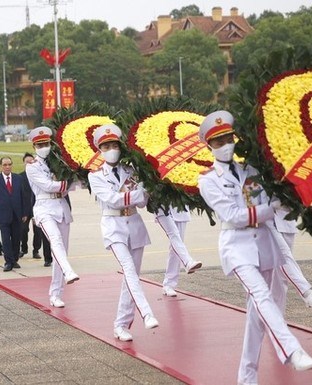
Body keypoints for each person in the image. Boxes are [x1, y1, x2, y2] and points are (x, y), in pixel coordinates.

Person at [197, 111, 312, 385]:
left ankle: (246, 378)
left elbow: (274, 198)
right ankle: (292, 349)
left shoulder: (252, 171)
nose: (225, 144)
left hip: (263, 244)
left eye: (228, 138)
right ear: (209, 146)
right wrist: (271, 208)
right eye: (218, 141)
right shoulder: (208, 181)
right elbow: (234, 216)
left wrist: (286, 200)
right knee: (263, 297)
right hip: (237, 248)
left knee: (256, 314)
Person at [87, 123, 159, 342]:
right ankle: (147, 312)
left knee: (132, 276)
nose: (111, 149)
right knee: (128, 269)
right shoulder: (95, 175)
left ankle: (121, 324)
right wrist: (136, 195)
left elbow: (144, 199)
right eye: (106, 145)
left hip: (135, 224)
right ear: (100, 149)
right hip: (113, 226)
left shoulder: (132, 170)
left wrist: (138, 194)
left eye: (114, 144)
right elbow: (111, 200)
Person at [26, 126, 79, 308]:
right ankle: (68, 270)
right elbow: (48, 186)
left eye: (46, 143)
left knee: (61, 250)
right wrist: (66, 183)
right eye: (40, 144)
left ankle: (56, 294)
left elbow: (74, 184)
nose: (44, 147)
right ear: (34, 146)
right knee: (54, 240)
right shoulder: (32, 167)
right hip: (44, 208)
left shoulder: (60, 162)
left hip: (61, 207)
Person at [272, 208, 312, 308]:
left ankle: (275, 314)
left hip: (287, 220)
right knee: (284, 257)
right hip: (266, 223)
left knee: (280, 276)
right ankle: (307, 293)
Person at [0, 157, 29, 272]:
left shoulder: (18, 178)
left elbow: (24, 197)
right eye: (5, 165)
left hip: (17, 214)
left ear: (12, 165)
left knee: (16, 239)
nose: (7, 167)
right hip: (2, 215)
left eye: (9, 164)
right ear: (1, 166)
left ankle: (14, 259)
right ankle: (8, 262)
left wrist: (25, 212)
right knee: (6, 239)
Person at [156, 206, 202, 297]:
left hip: (179, 207)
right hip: (161, 206)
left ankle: (169, 284)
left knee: (176, 245)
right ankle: (188, 262)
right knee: (174, 235)